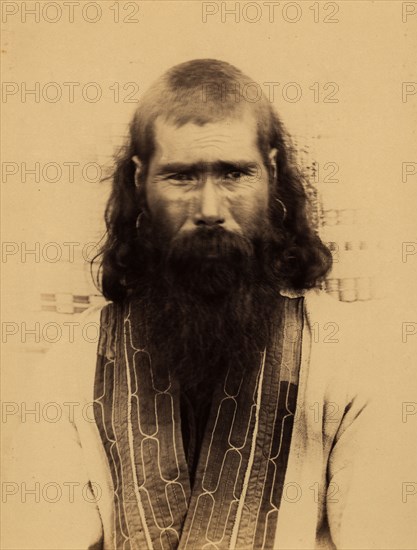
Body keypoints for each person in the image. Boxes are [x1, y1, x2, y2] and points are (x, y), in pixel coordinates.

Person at [4, 59, 379, 550]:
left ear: (271, 172)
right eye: (181, 176)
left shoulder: (353, 354)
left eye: (233, 174)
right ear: (140, 182)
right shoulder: (71, 362)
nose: (208, 210)